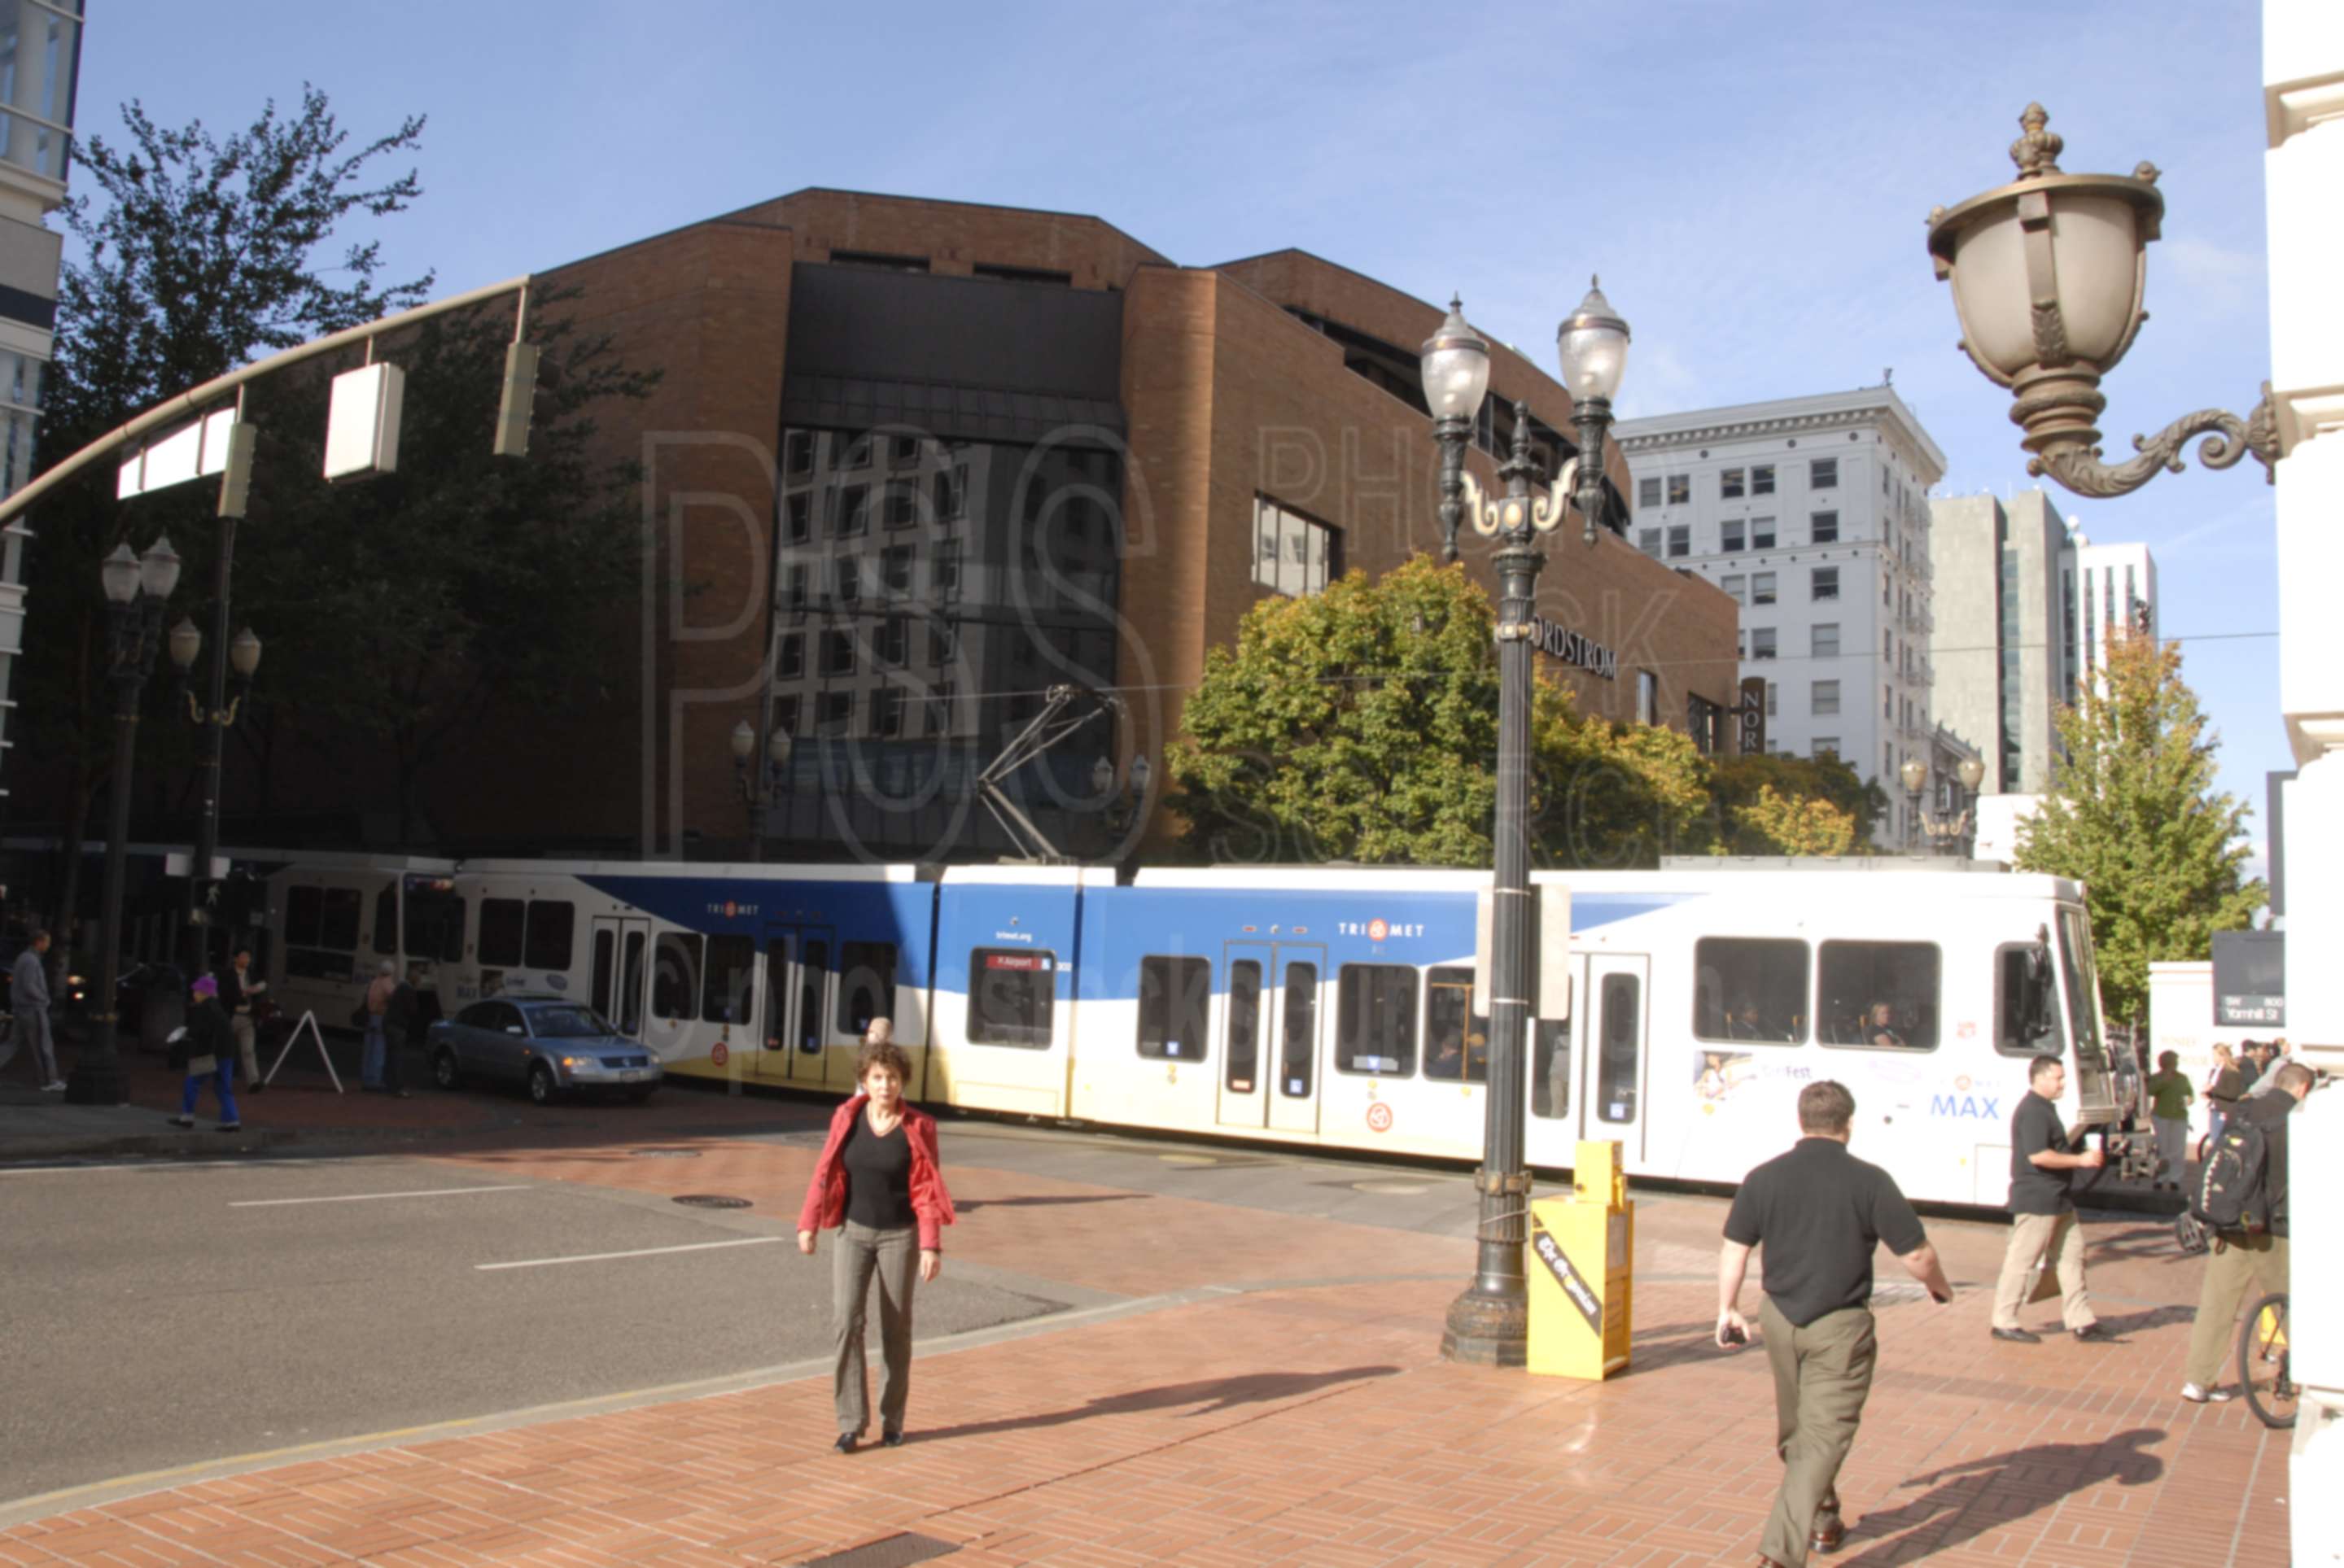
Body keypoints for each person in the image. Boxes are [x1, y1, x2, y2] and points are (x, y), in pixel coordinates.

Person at [1716, 1080, 1952, 1568]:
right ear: (1848, 1123)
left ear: (1801, 1121)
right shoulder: (1869, 1180)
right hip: (1839, 1326)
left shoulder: (1763, 1177)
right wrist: (1941, 1288)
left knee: (1798, 1433)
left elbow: (1735, 1249)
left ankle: (1823, 1518)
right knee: (1818, 1438)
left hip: (1779, 1319)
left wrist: (1728, 1308)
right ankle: (1780, 1555)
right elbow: (1916, 1254)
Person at [797, 1020, 955, 1453]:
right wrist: (808, 1223)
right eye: (878, 1078)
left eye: (893, 1078)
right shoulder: (847, 1117)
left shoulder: (918, 1127)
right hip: (853, 1232)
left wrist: (929, 1244)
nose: (886, 1085)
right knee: (846, 1322)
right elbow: (826, 1171)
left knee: (896, 1330)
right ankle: (850, 1422)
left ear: (903, 1082)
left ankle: (892, 1420)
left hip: (898, 1238)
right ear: (865, 1081)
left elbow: (926, 1189)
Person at [2180, 1061, 2311, 1402]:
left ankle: (2199, 1380)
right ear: (2302, 1089)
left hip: (2230, 1220)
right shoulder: (2296, 1119)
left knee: (2217, 1302)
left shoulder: (2244, 1109)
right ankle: (2307, 1376)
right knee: (2290, 1303)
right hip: (2271, 1226)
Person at [1989, 1055, 2107, 1343]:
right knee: (2023, 1259)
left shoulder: (2045, 1109)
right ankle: (2003, 1319)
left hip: (2058, 1199)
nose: (2063, 1083)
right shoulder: (2033, 1111)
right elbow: (2038, 1155)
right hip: (2037, 1199)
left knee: (2073, 1256)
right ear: (2040, 1078)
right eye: (2058, 1077)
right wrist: (2079, 1160)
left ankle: (2080, 1320)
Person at [168, 975, 241, 1132]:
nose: (194, 993)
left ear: (203, 992)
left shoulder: (204, 1009)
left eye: (196, 991)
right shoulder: (218, 1008)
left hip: (209, 1054)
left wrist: (186, 1032)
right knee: (223, 1087)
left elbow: (201, 1032)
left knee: (192, 1082)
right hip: (226, 1054)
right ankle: (232, 1120)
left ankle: (187, 1116)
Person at [9, 928, 62, 1091]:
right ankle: (49, 1080)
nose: (48, 945)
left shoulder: (23, 958)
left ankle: (49, 1079)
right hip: (33, 1009)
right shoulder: (31, 960)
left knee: (12, 1044)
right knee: (42, 1045)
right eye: (47, 942)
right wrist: (43, 999)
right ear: (39, 942)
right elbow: (29, 985)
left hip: (21, 1008)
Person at [2143, 1050, 2194, 1192]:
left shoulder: (2182, 1078)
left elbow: (2190, 1093)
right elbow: (2149, 1091)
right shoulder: (2157, 1077)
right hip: (2162, 1115)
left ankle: (2175, 1179)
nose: (2175, 1065)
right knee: (2163, 1148)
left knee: (2178, 1149)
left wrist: (2189, 1099)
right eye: (2173, 1062)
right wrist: (2163, 1081)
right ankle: (2160, 1178)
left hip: (2179, 1116)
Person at [221, 948, 265, 1092]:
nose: (246, 960)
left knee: (248, 1050)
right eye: (243, 957)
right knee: (224, 1049)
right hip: (232, 1016)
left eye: (248, 957)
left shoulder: (251, 974)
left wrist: (256, 990)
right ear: (236, 959)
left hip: (247, 1016)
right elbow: (226, 994)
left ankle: (254, 1081)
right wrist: (242, 994)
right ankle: (220, 1077)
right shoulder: (228, 974)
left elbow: (262, 985)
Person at [361, 959, 401, 1093]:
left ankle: (366, 1079)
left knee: (369, 1049)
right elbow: (395, 1000)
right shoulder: (388, 985)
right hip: (381, 1017)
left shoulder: (374, 982)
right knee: (379, 1050)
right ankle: (375, 1080)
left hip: (370, 1017)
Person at [2204, 1044, 2244, 1152]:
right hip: (2215, 1110)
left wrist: (2213, 1089)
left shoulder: (2231, 1072)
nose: (2213, 1058)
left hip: (2225, 1111)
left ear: (2222, 1056)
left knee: (2221, 1141)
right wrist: (2208, 1093)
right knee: (2215, 1140)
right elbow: (2215, 1091)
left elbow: (2233, 1094)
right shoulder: (2214, 1071)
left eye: (2214, 1055)